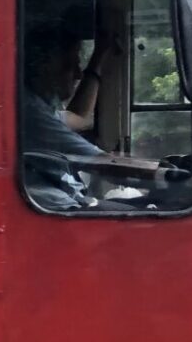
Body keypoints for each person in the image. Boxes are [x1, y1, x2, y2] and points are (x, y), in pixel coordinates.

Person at [20, 23, 121, 209]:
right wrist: (165, 175)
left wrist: (98, 58)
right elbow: (102, 163)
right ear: (43, 68)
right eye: (69, 65)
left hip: (64, 198)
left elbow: (79, 117)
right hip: (52, 206)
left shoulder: (42, 106)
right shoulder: (29, 112)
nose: (78, 74)